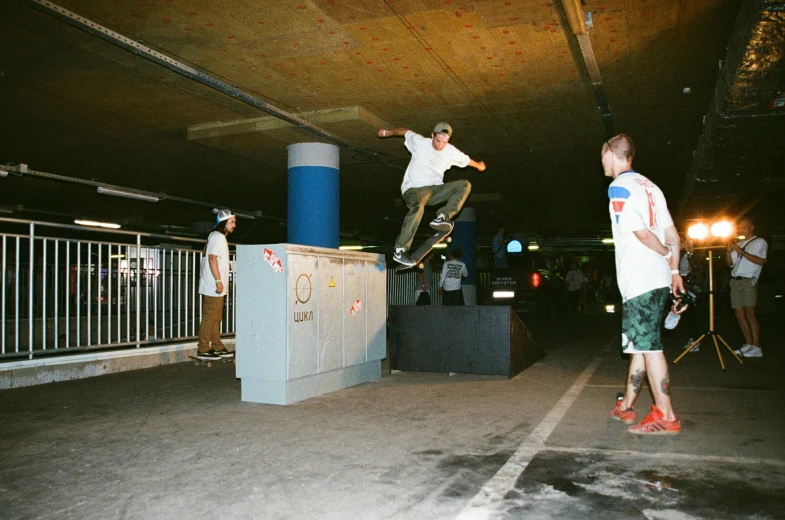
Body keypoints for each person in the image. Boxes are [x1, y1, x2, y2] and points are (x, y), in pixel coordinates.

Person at [602, 134, 683, 435]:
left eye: (602, 157)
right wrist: (674, 269)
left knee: (650, 348)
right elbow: (673, 234)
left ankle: (666, 415)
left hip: (640, 280)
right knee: (640, 345)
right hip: (658, 279)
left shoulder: (618, 187)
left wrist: (663, 253)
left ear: (611, 154)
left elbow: (640, 232)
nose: (601, 164)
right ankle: (625, 408)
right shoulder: (652, 188)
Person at [377, 123, 486, 266]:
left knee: (464, 185)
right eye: (438, 141)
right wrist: (386, 133)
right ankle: (400, 249)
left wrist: (478, 165)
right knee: (419, 205)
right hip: (414, 190)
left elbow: (466, 160)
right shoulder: (420, 142)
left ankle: (442, 217)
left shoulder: (450, 151)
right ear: (432, 135)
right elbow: (405, 131)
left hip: (434, 191)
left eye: (444, 142)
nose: (440, 145)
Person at [196, 210, 237, 361]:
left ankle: (217, 346)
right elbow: (212, 258)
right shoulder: (218, 237)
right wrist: (218, 282)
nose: (234, 225)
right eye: (232, 222)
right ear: (224, 223)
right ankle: (203, 348)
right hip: (213, 286)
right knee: (209, 317)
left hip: (214, 286)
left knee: (215, 318)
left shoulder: (214, 237)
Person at [726, 217, 768, 358]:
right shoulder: (739, 243)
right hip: (735, 280)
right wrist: (728, 251)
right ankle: (749, 344)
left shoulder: (759, 242)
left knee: (749, 312)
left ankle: (756, 346)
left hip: (748, 280)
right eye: (739, 227)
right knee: (739, 313)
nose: (741, 230)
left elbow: (760, 261)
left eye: (744, 227)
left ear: (751, 227)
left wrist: (740, 251)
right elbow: (729, 264)